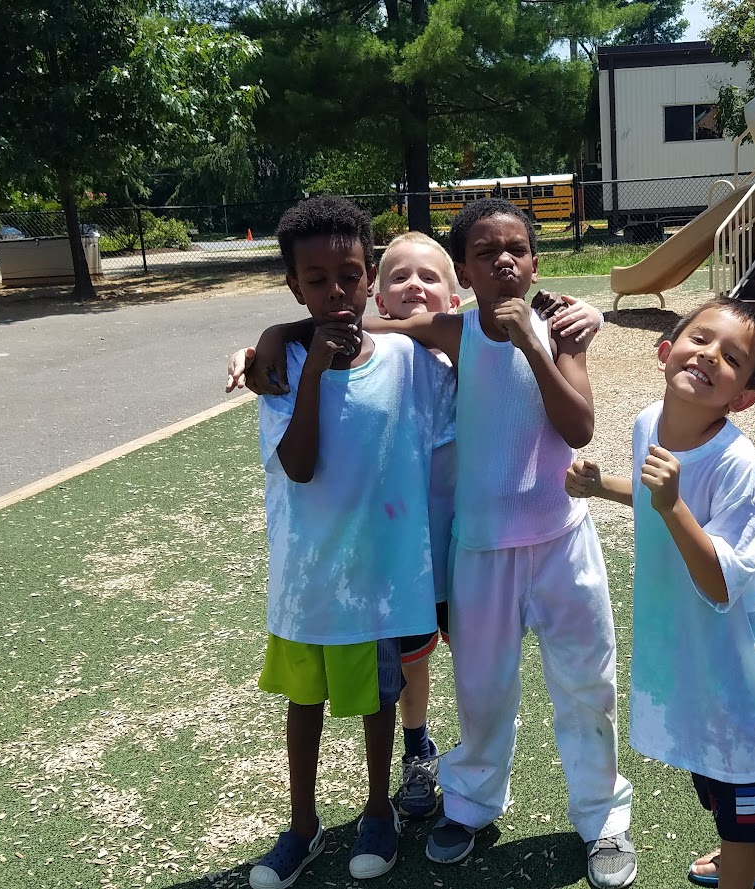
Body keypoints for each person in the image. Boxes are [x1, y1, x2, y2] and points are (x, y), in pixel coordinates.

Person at [242, 198, 636, 889]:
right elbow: (357, 319)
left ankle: (602, 818)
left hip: (561, 541)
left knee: (586, 684)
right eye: (485, 253)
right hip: (480, 546)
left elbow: (578, 428)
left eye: (516, 249)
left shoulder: (561, 331)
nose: (503, 261)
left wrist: (540, 339)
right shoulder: (451, 332)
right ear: (465, 273)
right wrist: (276, 334)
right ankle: (472, 804)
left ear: (536, 263)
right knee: (481, 689)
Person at [245, 197, 454, 889]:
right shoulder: (278, 368)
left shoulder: (405, 359)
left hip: (380, 577)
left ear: (369, 280)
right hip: (307, 579)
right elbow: (299, 465)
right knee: (303, 703)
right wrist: (306, 362)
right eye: (316, 280)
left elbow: (470, 361)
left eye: (350, 276)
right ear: (294, 286)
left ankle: (376, 812)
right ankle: (302, 824)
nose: (335, 291)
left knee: (377, 701)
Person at [566, 297, 755, 889]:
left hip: (737, 665)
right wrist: (603, 485)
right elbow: (652, 493)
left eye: (733, 358)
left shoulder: (735, 461)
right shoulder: (649, 422)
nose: (711, 355)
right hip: (692, 654)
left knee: (740, 783)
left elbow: (721, 581)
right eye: (700, 339)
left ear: (742, 398)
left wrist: (673, 507)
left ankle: (745, 861)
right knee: (717, 779)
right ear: (666, 351)